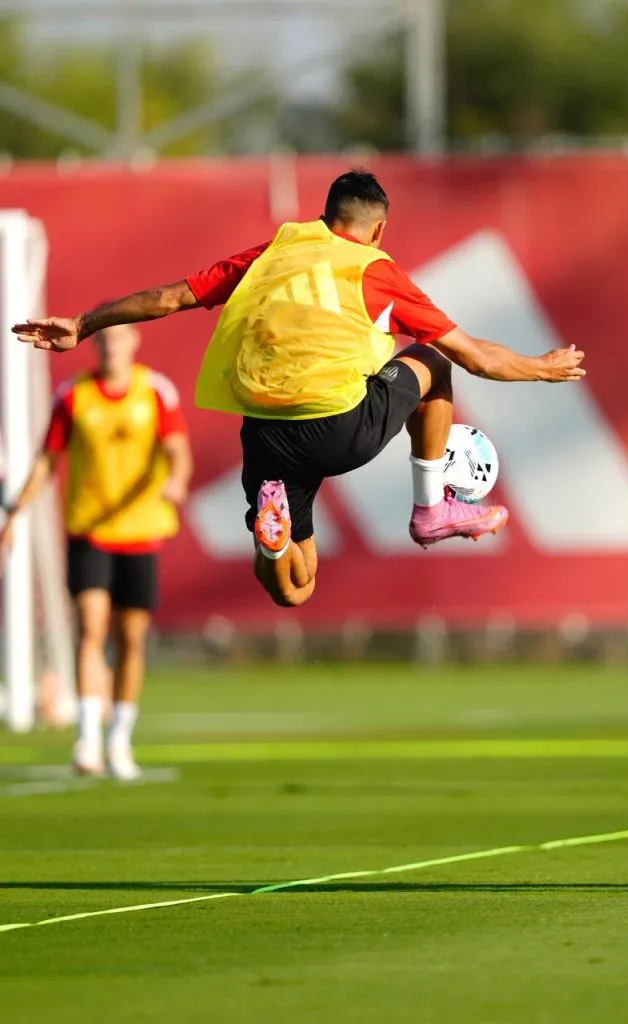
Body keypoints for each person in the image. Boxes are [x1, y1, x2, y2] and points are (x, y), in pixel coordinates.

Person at [12, 170, 584, 612]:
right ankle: (432, 508)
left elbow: (170, 298)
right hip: (336, 424)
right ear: (378, 229)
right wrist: (542, 367)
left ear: (322, 216)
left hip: (267, 433)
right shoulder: (374, 270)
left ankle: (272, 543)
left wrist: (83, 324)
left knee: (293, 587)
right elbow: (476, 355)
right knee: (433, 359)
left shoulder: (270, 255)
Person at [1, 324, 192, 778]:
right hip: (89, 531)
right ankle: (87, 738)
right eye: (103, 339)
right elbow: (48, 459)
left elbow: (178, 450)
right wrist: (16, 512)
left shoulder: (155, 391)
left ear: (133, 343)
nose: (110, 347)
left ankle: (119, 738)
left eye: (118, 338)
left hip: (142, 531)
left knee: (129, 639)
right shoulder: (73, 396)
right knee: (90, 629)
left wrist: (176, 479)